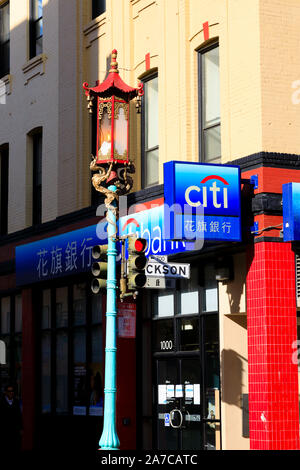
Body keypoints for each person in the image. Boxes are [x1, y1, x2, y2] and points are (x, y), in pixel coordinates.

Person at [0, 384, 23, 453]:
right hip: (5, 430)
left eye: (12, 391)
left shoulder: (16, 402)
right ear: (5, 392)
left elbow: (19, 415)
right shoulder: (1, 402)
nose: (11, 392)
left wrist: (21, 428)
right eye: (9, 391)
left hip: (15, 430)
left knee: (15, 447)